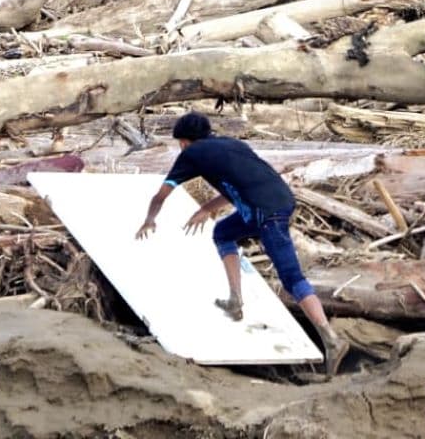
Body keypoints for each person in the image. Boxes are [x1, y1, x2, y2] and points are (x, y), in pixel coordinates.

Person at [135, 111, 349, 376]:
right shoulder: (233, 144)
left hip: (265, 213)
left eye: (180, 143)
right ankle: (235, 299)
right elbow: (238, 185)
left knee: (291, 277)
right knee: (224, 233)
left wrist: (149, 220)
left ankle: (331, 339)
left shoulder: (191, 154)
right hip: (281, 200)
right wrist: (207, 208)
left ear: (184, 141)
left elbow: (161, 195)